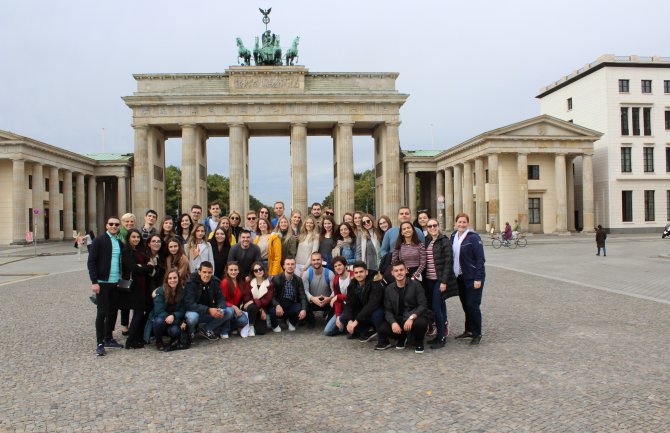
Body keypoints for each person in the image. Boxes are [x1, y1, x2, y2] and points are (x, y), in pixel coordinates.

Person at [87, 216, 124, 356]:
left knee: (113, 311)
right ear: (106, 225)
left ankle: (108, 338)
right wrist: (94, 281)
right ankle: (100, 342)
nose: (114, 226)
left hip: (116, 282)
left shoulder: (119, 242)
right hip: (102, 283)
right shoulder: (99, 241)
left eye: (116, 224)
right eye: (111, 224)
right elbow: (91, 262)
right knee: (102, 312)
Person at [376, 260, 429, 353]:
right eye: (396, 271)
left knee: (421, 323)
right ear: (392, 273)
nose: (399, 273)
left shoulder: (416, 285)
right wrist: (393, 323)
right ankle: (402, 337)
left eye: (401, 270)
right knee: (383, 328)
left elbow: (423, 305)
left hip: (414, 317)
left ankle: (419, 342)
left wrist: (412, 318)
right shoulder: (389, 289)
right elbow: (388, 310)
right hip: (399, 319)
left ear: (406, 271)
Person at [451, 213, 486, 345]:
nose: (461, 224)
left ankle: (477, 333)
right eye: (459, 222)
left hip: (473, 277)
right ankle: (469, 330)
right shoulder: (454, 236)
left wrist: (478, 278)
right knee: (466, 305)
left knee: (473, 305)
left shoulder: (473, 238)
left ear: (468, 223)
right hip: (460, 276)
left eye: (464, 222)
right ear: (456, 223)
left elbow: (480, 260)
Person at [423, 218, 458, 349]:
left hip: (439, 280)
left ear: (438, 226)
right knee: (438, 307)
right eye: (430, 226)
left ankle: (441, 337)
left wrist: (443, 282)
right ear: (427, 228)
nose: (432, 228)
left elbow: (449, 262)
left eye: (434, 225)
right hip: (429, 280)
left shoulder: (444, 241)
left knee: (437, 307)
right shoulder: (427, 241)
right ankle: (438, 335)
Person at [184, 261, 233, 341]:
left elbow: (221, 298)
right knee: (193, 317)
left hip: (209, 312)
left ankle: (206, 329)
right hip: (195, 312)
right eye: (204, 272)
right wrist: (208, 310)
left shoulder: (215, 281)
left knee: (229, 311)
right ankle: (190, 332)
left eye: (209, 272)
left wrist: (220, 309)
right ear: (199, 272)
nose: (207, 275)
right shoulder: (191, 282)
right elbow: (190, 304)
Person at [120, 228, 150, 349]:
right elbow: (133, 268)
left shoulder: (140, 250)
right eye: (133, 237)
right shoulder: (126, 251)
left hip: (143, 284)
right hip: (134, 285)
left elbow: (149, 267)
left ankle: (136, 338)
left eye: (138, 237)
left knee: (140, 312)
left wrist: (142, 266)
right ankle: (130, 341)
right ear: (128, 238)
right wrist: (144, 267)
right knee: (138, 313)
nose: (136, 239)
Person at [344, 261, 385, 342]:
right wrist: (350, 321)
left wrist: (356, 321)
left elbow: (372, 305)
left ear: (366, 272)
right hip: (365, 309)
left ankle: (383, 340)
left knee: (376, 315)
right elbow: (348, 304)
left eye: (361, 272)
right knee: (345, 316)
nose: (359, 274)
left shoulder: (375, 282)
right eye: (356, 272)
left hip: (380, 309)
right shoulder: (353, 284)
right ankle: (367, 331)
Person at [148, 269, 187, 351]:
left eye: (174, 278)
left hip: (173, 321)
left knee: (175, 331)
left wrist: (174, 316)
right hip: (161, 320)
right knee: (158, 321)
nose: (172, 280)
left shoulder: (182, 291)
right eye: (170, 278)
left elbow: (183, 310)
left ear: (178, 279)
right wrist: (177, 321)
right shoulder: (160, 291)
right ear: (166, 279)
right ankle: (158, 341)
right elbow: (159, 311)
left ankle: (173, 340)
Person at [269, 257, 307, 332]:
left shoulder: (298, 280)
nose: (290, 266)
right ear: (284, 266)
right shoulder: (276, 279)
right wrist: (277, 305)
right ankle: (274, 325)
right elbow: (271, 296)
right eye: (288, 264)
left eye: (292, 264)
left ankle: (291, 322)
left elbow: (302, 296)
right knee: (272, 310)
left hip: (291, 303)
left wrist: (304, 309)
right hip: (279, 303)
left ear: (295, 266)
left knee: (300, 307)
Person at [301, 252, 334, 329]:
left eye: (318, 259)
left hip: (326, 301)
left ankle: (328, 315)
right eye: (314, 260)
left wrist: (329, 299)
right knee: (303, 298)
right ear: (311, 262)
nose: (316, 262)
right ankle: (311, 319)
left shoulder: (330, 273)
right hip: (312, 301)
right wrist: (313, 298)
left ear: (322, 260)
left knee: (335, 300)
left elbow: (334, 291)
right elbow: (305, 291)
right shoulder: (307, 274)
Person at [323, 256, 353, 336]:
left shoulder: (353, 276)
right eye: (335, 266)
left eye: (339, 265)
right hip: (344, 307)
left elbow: (353, 298)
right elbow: (337, 302)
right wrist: (338, 317)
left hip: (354, 307)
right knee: (327, 331)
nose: (338, 268)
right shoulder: (336, 280)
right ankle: (343, 326)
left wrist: (338, 296)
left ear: (345, 265)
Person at [219, 262, 250, 338]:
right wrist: (234, 307)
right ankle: (224, 331)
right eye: (231, 270)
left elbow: (245, 295)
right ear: (227, 271)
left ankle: (232, 327)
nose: (233, 272)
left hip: (236, 309)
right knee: (230, 311)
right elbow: (221, 301)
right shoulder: (225, 282)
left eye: (235, 270)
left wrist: (248, 302)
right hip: (225, 308)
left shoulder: (240, 282)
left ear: (238, 271)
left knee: (244, 321)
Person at [242, 262, 274, 336]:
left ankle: (254, 323)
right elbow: (246, 298)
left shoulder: (269, 284)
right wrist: (259, 307)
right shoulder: (249, 282)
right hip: (250, 309)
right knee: (252, 306)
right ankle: (251, 326)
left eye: (260, 269)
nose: (258, 271)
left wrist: (253, 301)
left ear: (263, 270)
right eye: (256, 270)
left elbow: (266, 300)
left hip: (262, 309)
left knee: (261, 331)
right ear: (253, 273)